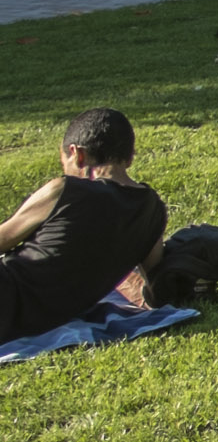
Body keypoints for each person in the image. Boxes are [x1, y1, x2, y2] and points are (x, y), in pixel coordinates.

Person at [1, 109, 168, 342]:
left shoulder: (65, 190)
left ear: (77, 154)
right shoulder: (152, 209)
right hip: (40, 320)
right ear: (130, 157)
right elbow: (153, 272)